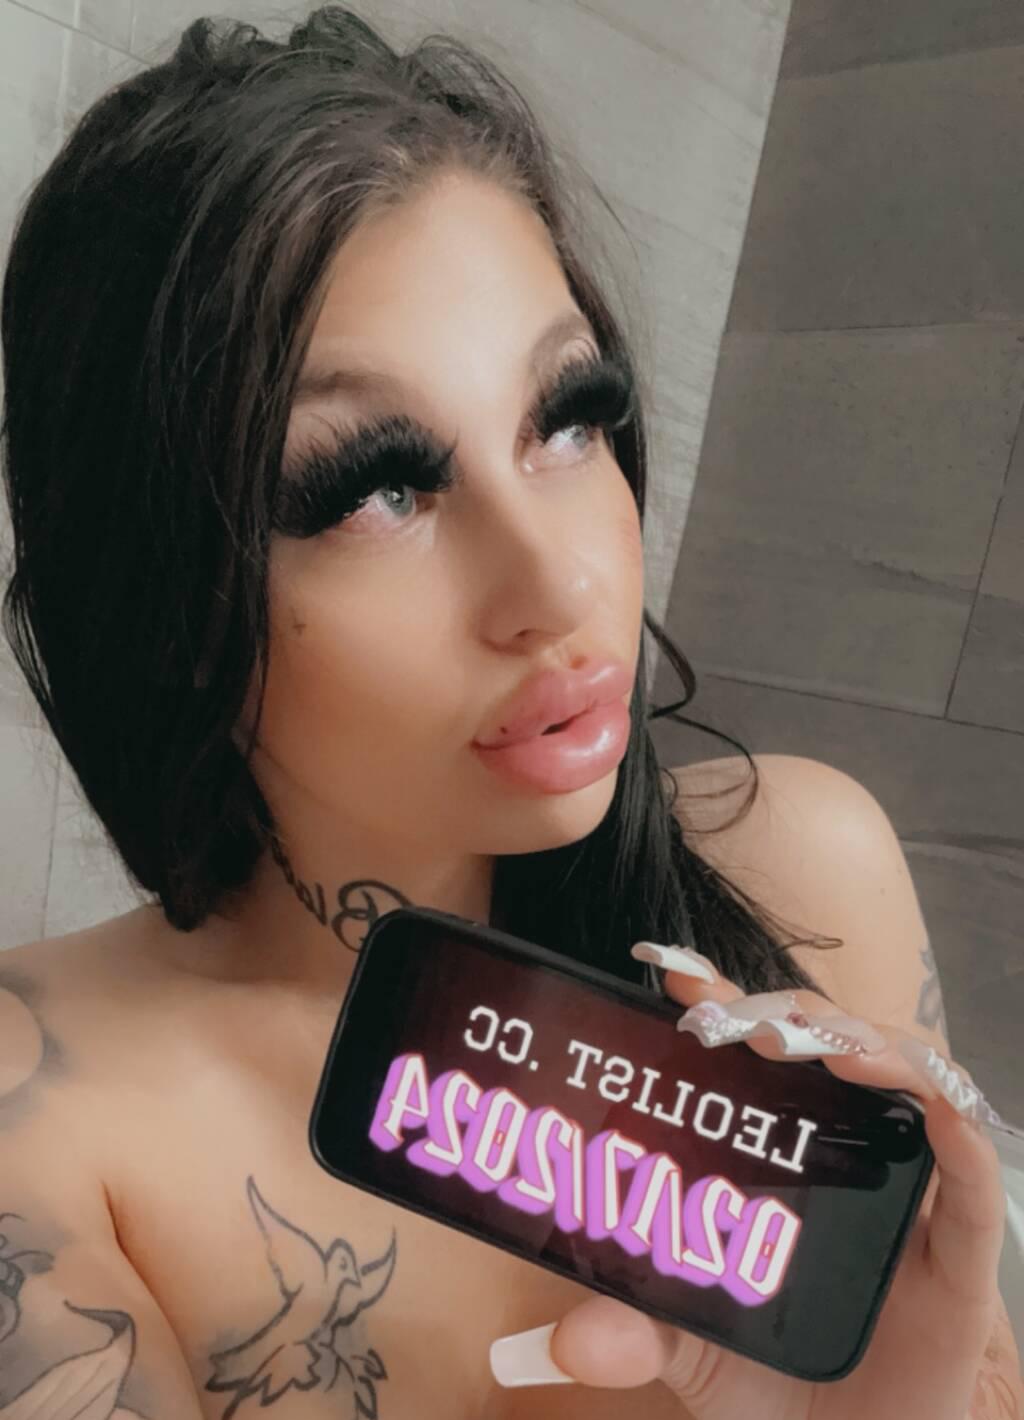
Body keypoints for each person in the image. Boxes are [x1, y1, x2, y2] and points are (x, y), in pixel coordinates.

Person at [0, 7, 1019, 1417]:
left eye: (569, 418)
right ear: (165, 603)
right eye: (379, 490)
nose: (560, 583)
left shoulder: (808, 874)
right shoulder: (48, 1126)